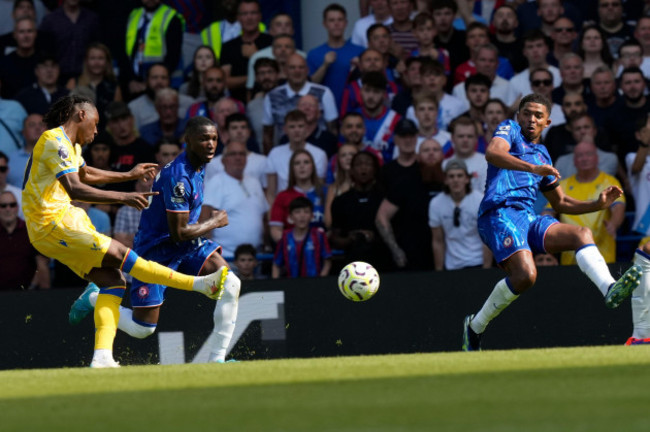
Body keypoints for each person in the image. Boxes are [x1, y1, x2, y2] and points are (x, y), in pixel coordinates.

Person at [24, 95, 227, 368]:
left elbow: (85, 175)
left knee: (113, 279)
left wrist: (129, 175)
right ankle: (198, 285)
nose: (97, 131)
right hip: (52, 224)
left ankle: (102, 358)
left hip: (61, 222)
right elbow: (75, 188)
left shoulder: (70, 146)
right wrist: (123, 197)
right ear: (81, 116)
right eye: (95, 124)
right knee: (123, 254)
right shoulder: (53, 140)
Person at [461, 93, 642, 352]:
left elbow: (561, 204)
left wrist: (598, 204)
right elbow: (492, 153)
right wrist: (533, 169)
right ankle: (475, 326)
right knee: (526, 276)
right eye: (527, 113)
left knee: (581, 233)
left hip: (527, 217)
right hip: (498, 213)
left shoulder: (543, 154)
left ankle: (609, 289)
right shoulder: (509, 130)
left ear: (547, 122)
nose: (531, 119)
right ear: (518, 116)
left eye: (538, 116)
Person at [71, 115, 240, 365]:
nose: (211, 144)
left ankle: (217, 360)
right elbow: (178, 232)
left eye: (214, 139)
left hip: (186, 246)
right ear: (188, 141)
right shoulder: (178, 178)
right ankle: (95, 298)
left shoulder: (199, 163)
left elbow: (182, 236)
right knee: (143, 329)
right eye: (204, 139)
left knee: (230, 284)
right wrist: (214, 222)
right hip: (157, 249)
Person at [544, 140, 625, 265]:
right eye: (580, 156)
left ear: (597, 158)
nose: (584, 158)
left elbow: (618, 207)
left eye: (588, 154)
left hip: (603, 256)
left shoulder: (609, 182)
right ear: (574, 161)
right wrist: (546, 230)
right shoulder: (564, 185)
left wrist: (613, 224)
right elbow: (548, 212)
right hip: (570, 259)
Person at [201, 141, 269, 259]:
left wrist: (267, 245)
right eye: (233, 154)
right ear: (223, 160)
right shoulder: (216, 182)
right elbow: (205, 220)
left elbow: (264, 217)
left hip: (256, 257)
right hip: (227, 258)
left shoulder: (254, 182)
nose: (238, 158)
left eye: (242, 154)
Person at [330, 151, 390, 270]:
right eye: (358, 164)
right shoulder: (341, 201)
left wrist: (375, 237)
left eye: (368, 164)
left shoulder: (385, 199)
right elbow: (334, 238)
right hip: (351, 263)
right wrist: (350, 239)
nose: (363, 168)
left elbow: (396, 234)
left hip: (383, 261)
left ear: (375, 169)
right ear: (351, 170)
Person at [429, 159, 490, 271]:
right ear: (446, 180)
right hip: (452, 265)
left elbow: (486, 238)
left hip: (477, 262)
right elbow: (437, 240)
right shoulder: (436, 203)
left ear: (467, 179)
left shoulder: (480, 200)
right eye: (451, 176)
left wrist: (486, 268)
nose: (455, 180)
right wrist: (438, 270)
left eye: (459, 176)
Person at [121, 0, 184, 100]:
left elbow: (174, 55)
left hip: (161, 83)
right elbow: (125, 52)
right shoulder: (134, 15)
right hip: (135, 82)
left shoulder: (171, 17)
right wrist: (131, 79)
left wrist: (151, 82)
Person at [307, 3, 364, 108]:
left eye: (340, 20)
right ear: (325, 24)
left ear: (346, 23)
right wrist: (324, 66)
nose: (336, 24)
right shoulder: (314, 54)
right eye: (332, 20)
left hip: (354, 111)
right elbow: (309, 87)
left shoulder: (360, 52)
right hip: (324, 111)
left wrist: (360, 67)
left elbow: (369, 82)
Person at [265, 110, 328, 202]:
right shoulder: (274, 153)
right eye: (292, 127)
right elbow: (270, 193)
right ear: (285, 129)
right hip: (283, 206)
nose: (296, 130)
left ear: (307, 129)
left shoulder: (320, 154)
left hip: (310, 207)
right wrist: (273, 215)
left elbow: (320, 189)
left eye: (300, 126)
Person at [220, 0, 272, 103]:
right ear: (238, 18)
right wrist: (252, 78)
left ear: (260, 16)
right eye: (244, 14)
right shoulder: (228, 47)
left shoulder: (271, 42)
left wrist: (255, 56)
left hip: (268, 100)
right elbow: (224, 81)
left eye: (253, 13)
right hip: (236, 104)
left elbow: (277, 75)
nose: (249, 17)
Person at [269, 149, 326, 243]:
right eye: (297, 163)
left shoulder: (326, 193)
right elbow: (275, 229)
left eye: (306, 162)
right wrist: (293, 247)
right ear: (292, 169)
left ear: (313, 167)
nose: (302, 166)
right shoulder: (283, 196)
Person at [38, 0, 100, 84]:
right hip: (57, 79)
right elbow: (42, 51)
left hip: (86, 77)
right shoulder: (50, 21)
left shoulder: (91, 19)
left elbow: (98, 47)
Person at [0, 190, 50, 291]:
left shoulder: (31, 232)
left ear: (17, 208)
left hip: (27, 298)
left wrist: (32, 289)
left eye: (12, 205)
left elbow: (42, 266)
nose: (8, 209)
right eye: (3, 206)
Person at [272, 196, 332, 278]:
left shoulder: (319, 235)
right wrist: (276, 284)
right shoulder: (286, 237)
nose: (302, 215)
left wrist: (320, 280)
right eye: (297, 212)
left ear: (312, 216)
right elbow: (276, 264)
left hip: (314, 284)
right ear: (290, 217)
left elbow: (327, 261)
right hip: (291, 285)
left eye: (306, 212)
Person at [71, 43, 122, 129]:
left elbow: (117, 116)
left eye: (100, 58)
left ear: (107, 61)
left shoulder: (114, 87)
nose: (96, 62)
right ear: (86, 61)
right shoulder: (74, 82)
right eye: (92, 58)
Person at [324, 144, 358, 228]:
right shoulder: (333, 189)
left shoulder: (370, 185)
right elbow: (328, 222)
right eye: (343, 155)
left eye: (352, 154)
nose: (348, 158)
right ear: (338, 161)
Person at [7, 113, 44, 188]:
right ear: (23, 132)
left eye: (41, 124)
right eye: (32, 125)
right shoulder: (10, 160)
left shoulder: (59, 156)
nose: (37, 128)